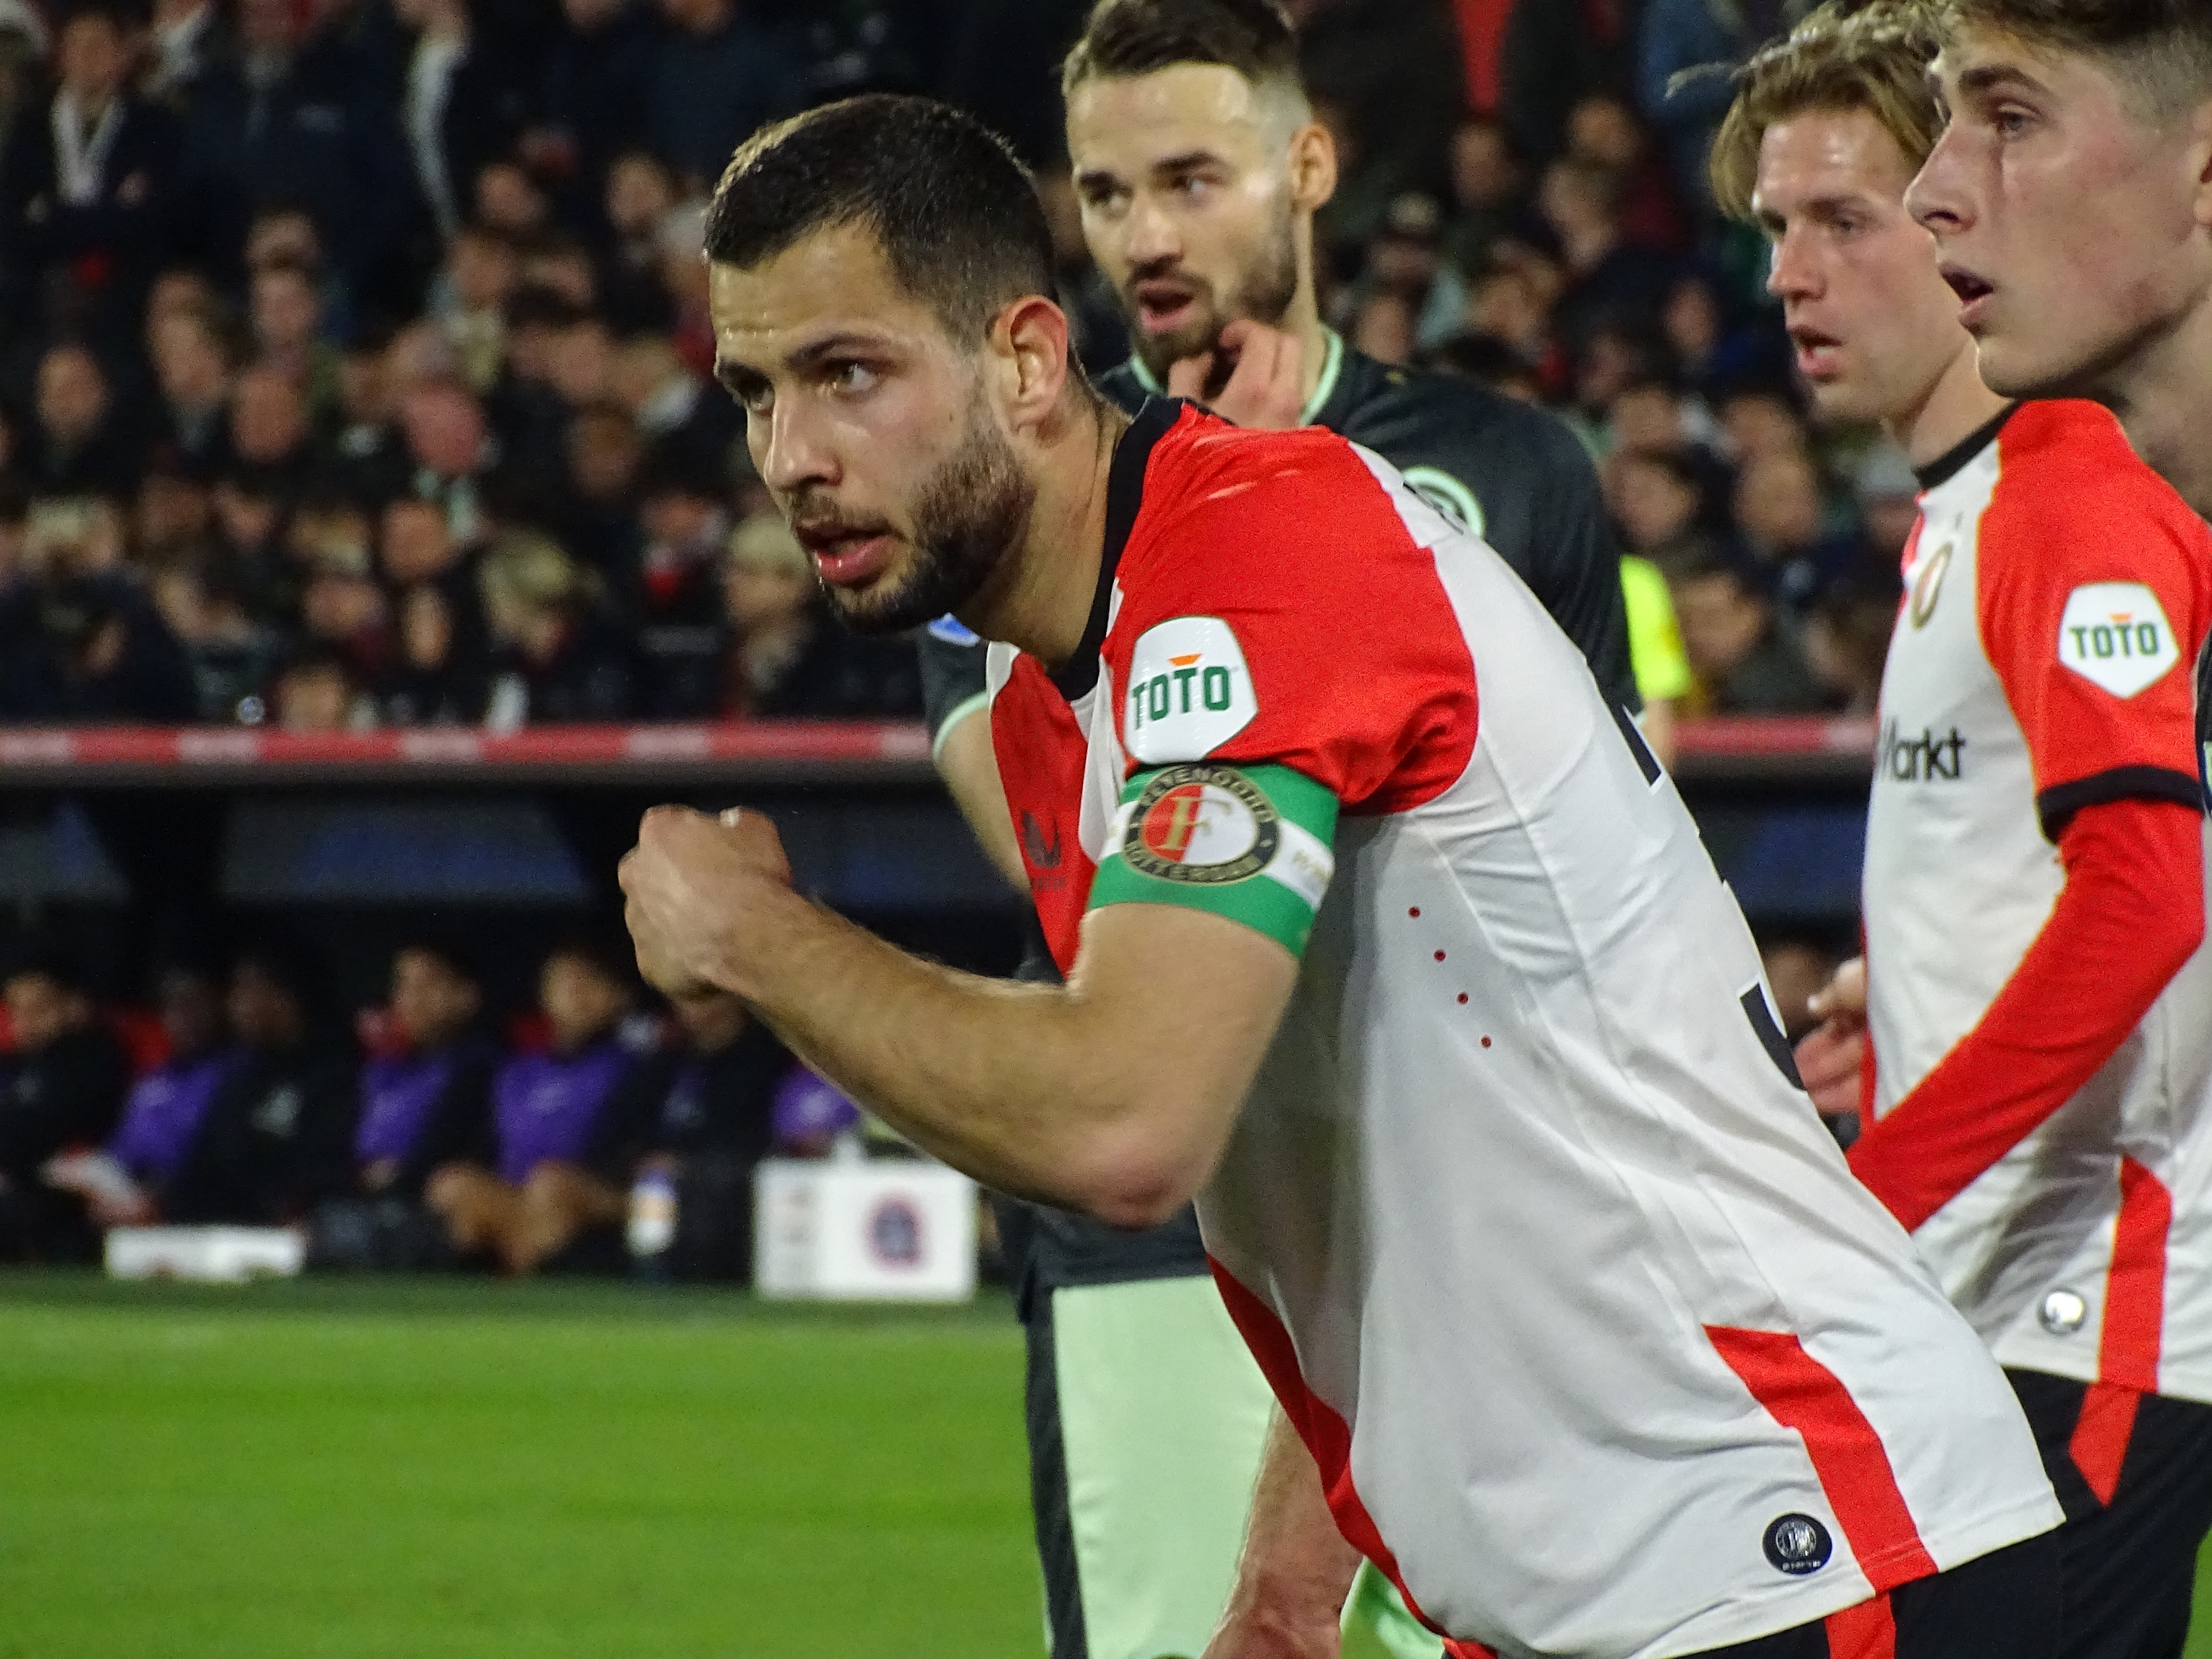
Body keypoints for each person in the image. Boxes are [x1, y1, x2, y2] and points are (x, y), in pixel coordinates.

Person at [620, 92, 2067, 1659]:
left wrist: (758, 936)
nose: (792, 457)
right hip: (1615, 1581)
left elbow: (1125, 1122)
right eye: (755, 393)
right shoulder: (1058, 706)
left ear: (1028, 360)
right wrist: (1285, 1586)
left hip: (1797, 1539)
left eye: (849, 376)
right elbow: (1332, 1160)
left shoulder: (1260, 551)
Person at [919, 6, 1641, 1652]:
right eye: (1105, 194)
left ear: (1305, 165)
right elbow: (1067, 864)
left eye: (1192, 178)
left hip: (1482, 1223)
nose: (1148, 237)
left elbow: (1605, 864)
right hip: (1171, 1225)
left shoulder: (1504, 470)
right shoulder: (1018, 498)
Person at [1720, 6, 2212, 1655]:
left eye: (1837, 219)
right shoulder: (1978, 509)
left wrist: (1873, 1191)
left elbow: (2146, 892)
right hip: (2017, 1286)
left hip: (2077, 1298)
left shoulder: (2065, 484)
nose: (1797, 273)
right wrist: (1906, 1014)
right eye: (1774, 227)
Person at [424, 938, 644, 1275]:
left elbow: (627, 1154)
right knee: (453, 1184)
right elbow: (487, 1151)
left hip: (599, 1195)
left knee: (551, 1184)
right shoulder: (517, 1073)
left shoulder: (635, 1066)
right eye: (564, 984)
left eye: (588, 983)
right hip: (519, 1196)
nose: (576, 996)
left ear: (618, 996)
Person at [608, 989, 785, 1279]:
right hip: (641, 1182)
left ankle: (660, 1275)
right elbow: (620, 1130)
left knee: (674, 1186)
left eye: (704, 995)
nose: (690, 1006)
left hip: (720, 1187)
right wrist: (639, 1159)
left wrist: (685, 1164)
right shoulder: (667, 1061)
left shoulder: (760, 1061)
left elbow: (754, 1142)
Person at [0, 950, 131, 1260]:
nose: (26, 1022)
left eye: (38, 1009)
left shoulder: (97, 1057)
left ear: (73, 1006)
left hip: (83, 1185)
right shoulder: (12, 1066)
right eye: (17, 1010)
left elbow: (59, 1125)